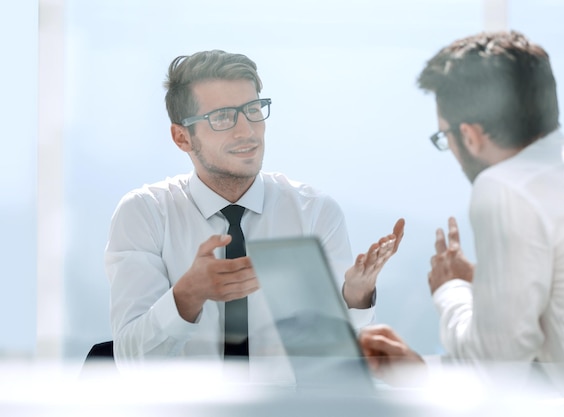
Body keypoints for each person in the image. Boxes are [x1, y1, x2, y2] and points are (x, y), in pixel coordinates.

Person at [105, 50, 404, 383]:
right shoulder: (144, 213)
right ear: (182, 137)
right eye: (222, 117)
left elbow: (335, 358)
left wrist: (356, 297)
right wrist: (187, 294)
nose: (246, 131)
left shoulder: (314, 211)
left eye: (252, 110)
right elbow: (130, 362)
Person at [359, 30, 564, 398]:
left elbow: (496, 373)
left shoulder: (505, 186)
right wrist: (484, 292)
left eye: (444, 136)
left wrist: (451, 289)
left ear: (469, 135)